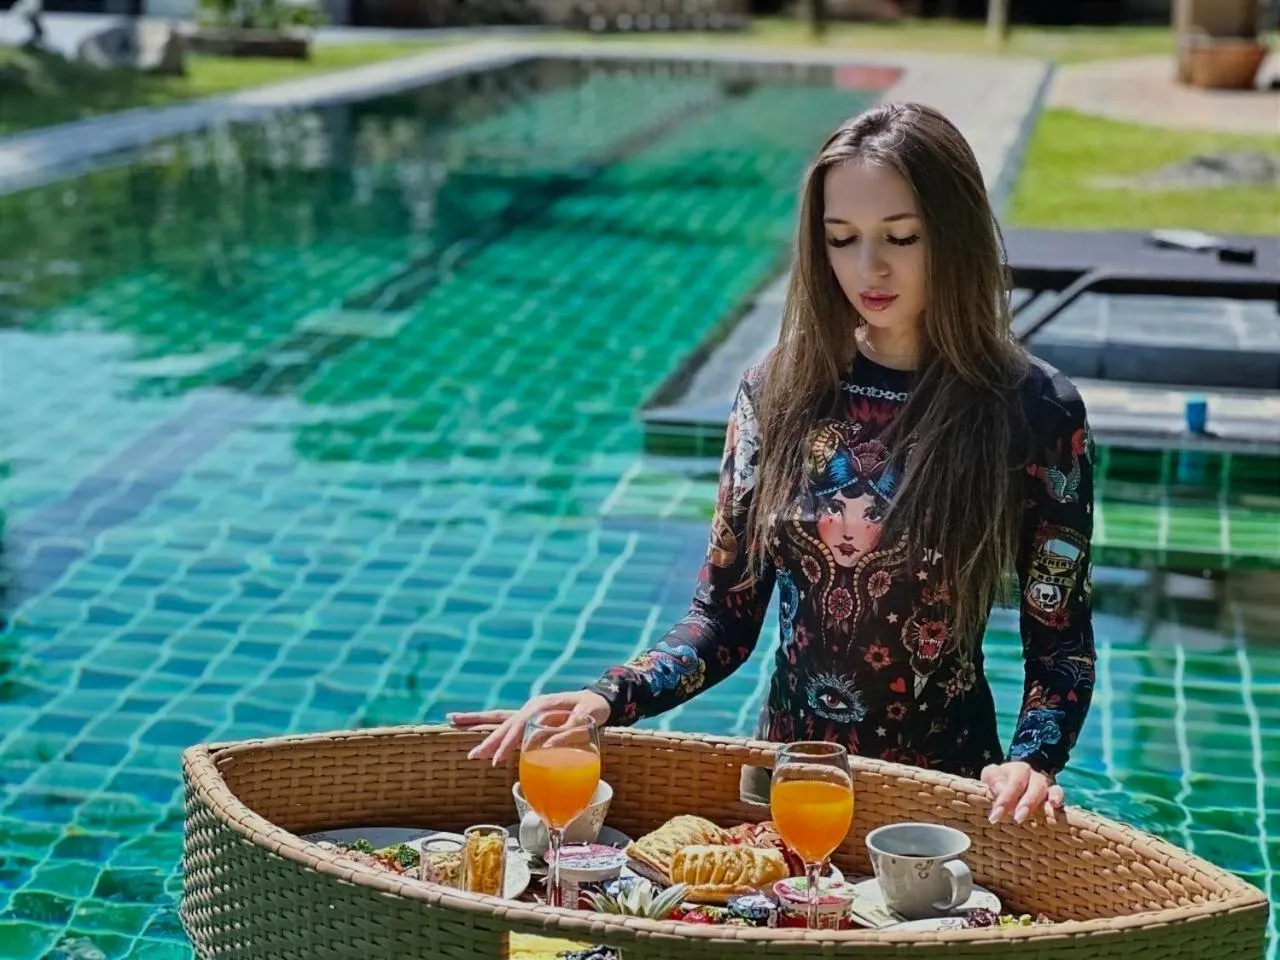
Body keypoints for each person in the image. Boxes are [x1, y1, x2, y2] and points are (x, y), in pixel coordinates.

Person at [451, 102, 1096, 827]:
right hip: (787, 797)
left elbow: (1060, 646)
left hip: (941, 811)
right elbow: (723, 618)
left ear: (955, 234)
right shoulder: (779, 388)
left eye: (901, 237)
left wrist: (1031, 763)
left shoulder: (1035, 411)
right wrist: (608, 697)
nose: (868, 267)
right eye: (841, 239)